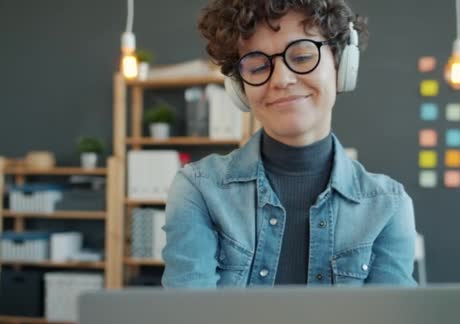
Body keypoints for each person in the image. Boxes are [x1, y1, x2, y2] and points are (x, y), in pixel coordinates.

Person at [161, 0, 417, 288]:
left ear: (342, 64)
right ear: (239, 87)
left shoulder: (388, 207)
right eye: (257, 66)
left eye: (303, 56)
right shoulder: (199, 190)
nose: (282, 79)